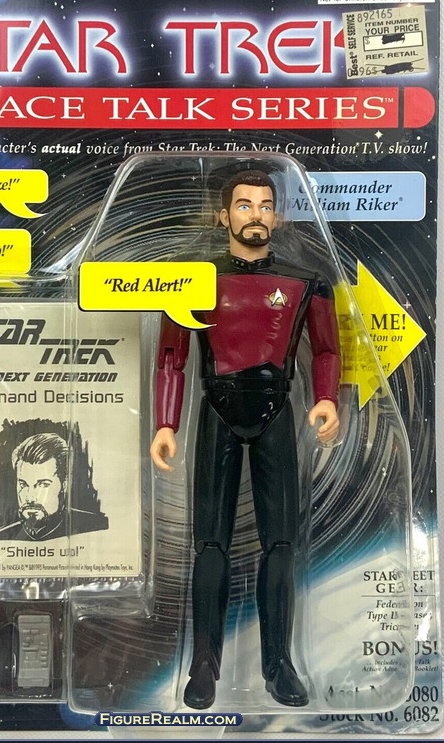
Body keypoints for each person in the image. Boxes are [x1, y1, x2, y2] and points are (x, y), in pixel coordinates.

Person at [150, 169, 341, 709]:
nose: (255, 214)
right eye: (243, 204)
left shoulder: (306, 282)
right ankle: (203, 665)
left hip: (278, 409)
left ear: (276, 217)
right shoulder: (191, 279)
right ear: (223, 215)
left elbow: (327, 349)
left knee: (281, 543)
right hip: (217, 410)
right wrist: (165, 422)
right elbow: (172, 355)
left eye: (264, 205)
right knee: (209, 544)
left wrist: (326, 397)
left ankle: (279, 664)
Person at [0, 433, 69, 542]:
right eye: (24, 485)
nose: (30, 498)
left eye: (43, 485)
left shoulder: (88, 532)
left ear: (64, 486)